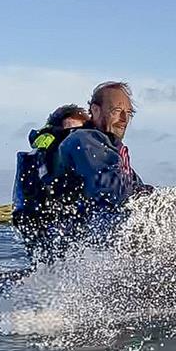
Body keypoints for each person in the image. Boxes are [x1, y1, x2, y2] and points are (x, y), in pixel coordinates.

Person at [54, 81, 151, 246]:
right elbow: (113, 192)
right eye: (117, 111)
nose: (124, 119)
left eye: (129, 113)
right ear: (95, 110)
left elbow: (137, 188)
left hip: (96, 241)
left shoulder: (112, 151)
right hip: (76, 245)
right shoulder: (84, 141)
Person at [12, 104, 91, 262]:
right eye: (70, 133)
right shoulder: (42, 160)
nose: (75, 140)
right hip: (44, 228)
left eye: (79, 134)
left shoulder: (87, 160)